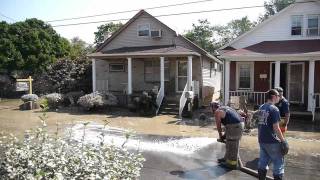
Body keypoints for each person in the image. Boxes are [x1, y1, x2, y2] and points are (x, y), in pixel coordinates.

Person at [257, 89, 288, 180]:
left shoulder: (261, 107)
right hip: (272, 141)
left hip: (262, 140)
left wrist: (260, 138)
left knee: (263, 162)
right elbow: (276, 127)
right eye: (278, 96)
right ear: (274, 97)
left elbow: (260, 125)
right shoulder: (274, 109)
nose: (280, 97)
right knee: (278, 163)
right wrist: (283, 141)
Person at [210, 101, 244, 169]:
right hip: (236, 125)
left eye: (210, 108)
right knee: (229, 142)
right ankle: (226, 159)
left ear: (213, 108)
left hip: (235, 126)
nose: (210, 109)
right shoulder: (225, 108)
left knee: (232, 144)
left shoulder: (217, 112)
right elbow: (229, 122)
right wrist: (224, 136)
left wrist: (220, 136)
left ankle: (232, 164)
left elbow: (218, 126)